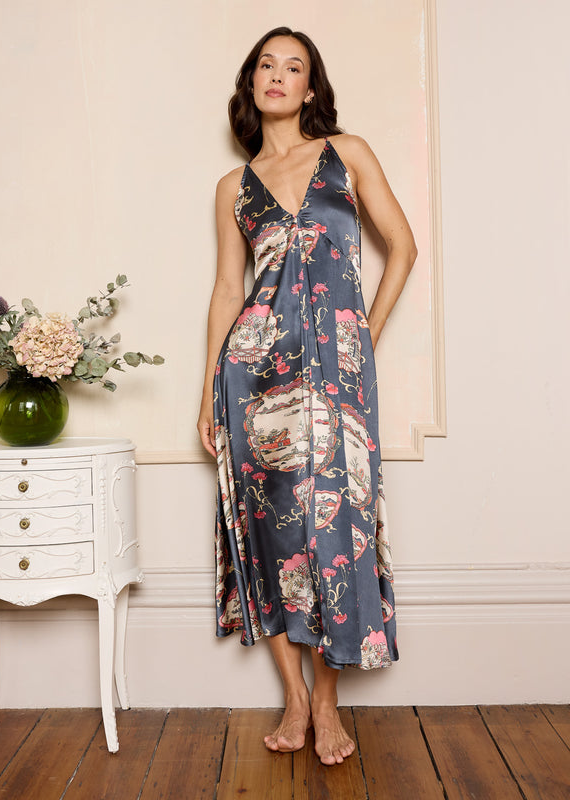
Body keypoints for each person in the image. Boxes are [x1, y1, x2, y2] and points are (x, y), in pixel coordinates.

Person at [197, 26, 417, 766]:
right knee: (273, 533)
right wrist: (206, 397)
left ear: (312, 87)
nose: (279, 76)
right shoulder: (234, 188)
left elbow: (403, 246)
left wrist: (365, 337)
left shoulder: (347, 154)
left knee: (337, 530)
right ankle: (294, 698)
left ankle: (327, 702)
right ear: (251, 82)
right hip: (253, 376)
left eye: (294, 67)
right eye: (267, 65)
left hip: (336, 373)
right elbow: (230, 290)